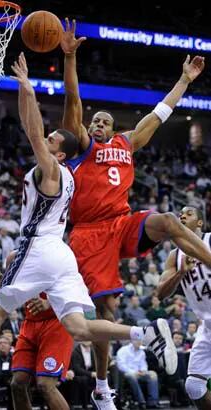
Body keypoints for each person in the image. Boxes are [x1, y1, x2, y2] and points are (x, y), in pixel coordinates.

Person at [0, 52, 176, 403]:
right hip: (62, 255)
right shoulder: (71, 175)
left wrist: (27, 89)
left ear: (61, 155)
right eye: (48, 139)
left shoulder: (51, 170)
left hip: (40, 245)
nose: (46, 141)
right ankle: (143, 332)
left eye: (53, 142)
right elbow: (49, 129)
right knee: (79, 326)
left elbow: (32, 128)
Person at [61, 18, 209, 409]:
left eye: (105, 121)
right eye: (94, 121)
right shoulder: (80, 148)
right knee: (106, 311)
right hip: (89, 233)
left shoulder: (128, 142)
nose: (98, 124)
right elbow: (72, 100)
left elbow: (159, 114)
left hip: (123, 223)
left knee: (168, 221)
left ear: (115, 127)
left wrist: (185, 81)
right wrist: (70, 59)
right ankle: (102, 385)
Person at [0, 255, 73, 410]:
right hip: (30, 324)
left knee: (45, 385)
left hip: (56, 323)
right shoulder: (16, 256)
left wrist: (49, 302)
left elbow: (77, 288)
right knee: (17, 383)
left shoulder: (59, 253)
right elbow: (15, 294)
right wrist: (1, 290)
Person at [157, 206, 211, 409]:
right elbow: (161, 294)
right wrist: (180, 273)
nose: (182, 215)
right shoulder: (174, 256)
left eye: (189, 213)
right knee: (194, 386)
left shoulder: (210, 240)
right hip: (207, 326)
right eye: (180, 213)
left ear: (199, 223)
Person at [116, 340, 161, 409]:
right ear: (132, 341)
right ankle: (141, 401)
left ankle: (153, 402)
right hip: (127, 373)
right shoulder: (123, 350)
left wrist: (143, 371)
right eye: (137, 341)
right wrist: (134, 372)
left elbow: (143, 364)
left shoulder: (141, 352)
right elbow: (121, 365)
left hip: (139, 373)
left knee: (153, 374)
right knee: (131, 376)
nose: (139, 342)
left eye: (140, 341)